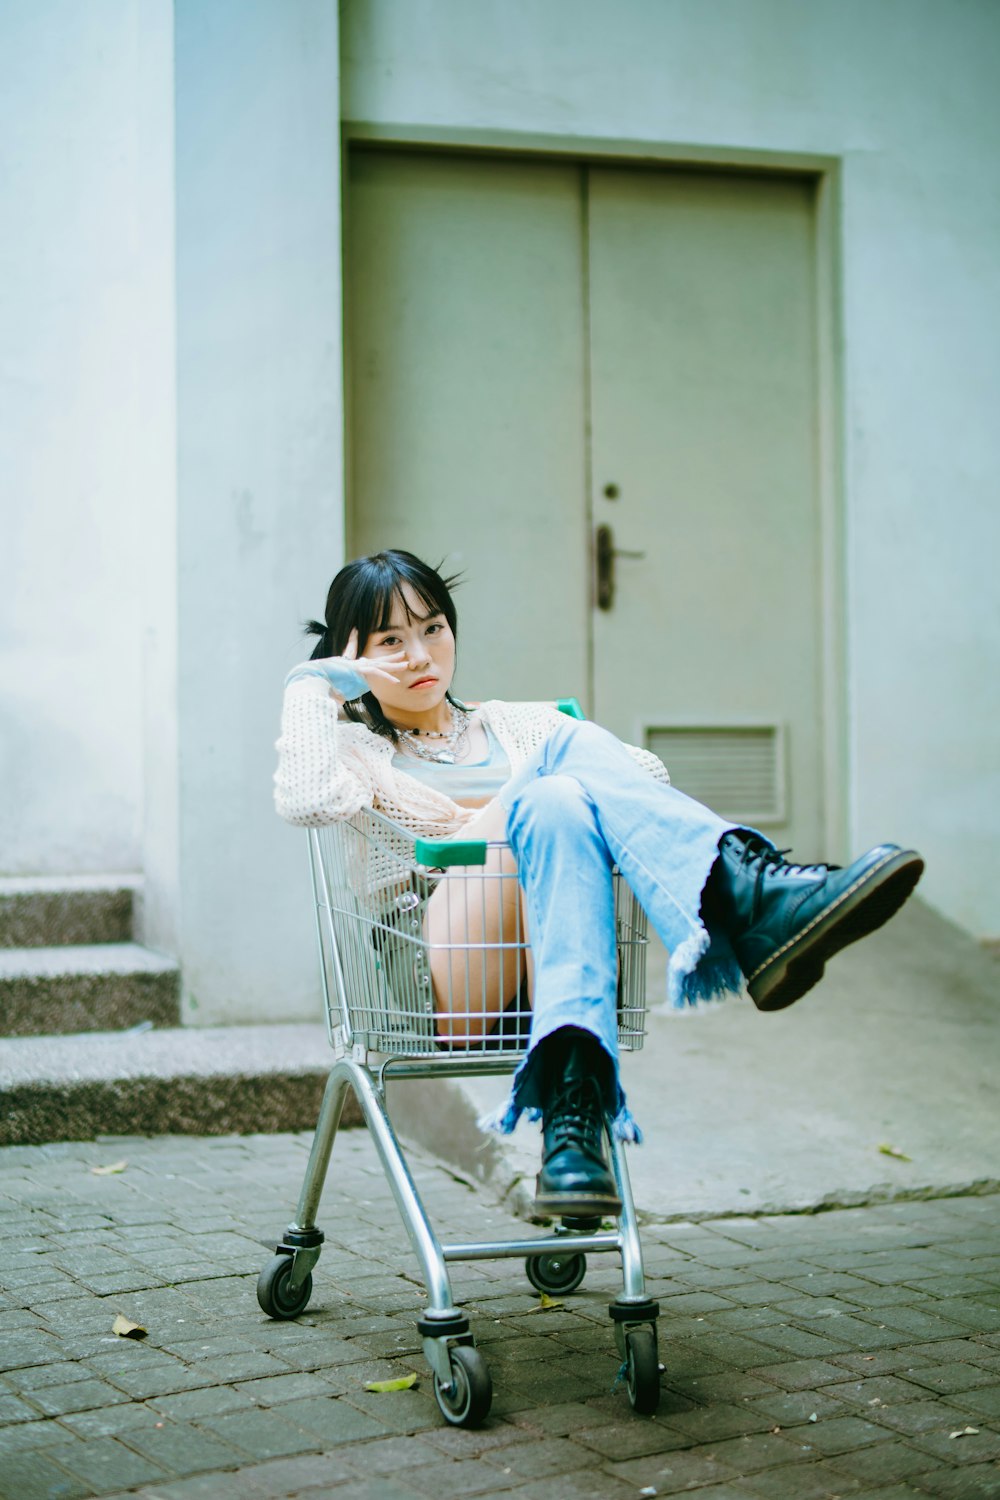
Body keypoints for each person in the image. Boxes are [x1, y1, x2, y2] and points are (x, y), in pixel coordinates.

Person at [274, 550, 924, 1220]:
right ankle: (751, 897)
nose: (419, 656)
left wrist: (529, 805)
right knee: (553, 775)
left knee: (557, 800)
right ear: (354, 653)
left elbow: (644, 777)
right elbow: (304, 800)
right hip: (439, 975)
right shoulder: (353, 746)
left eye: (433, 628)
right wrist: (316, 683)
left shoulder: (512, 723)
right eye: (390, 641)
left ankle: (573, 1122)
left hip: (545, 971)